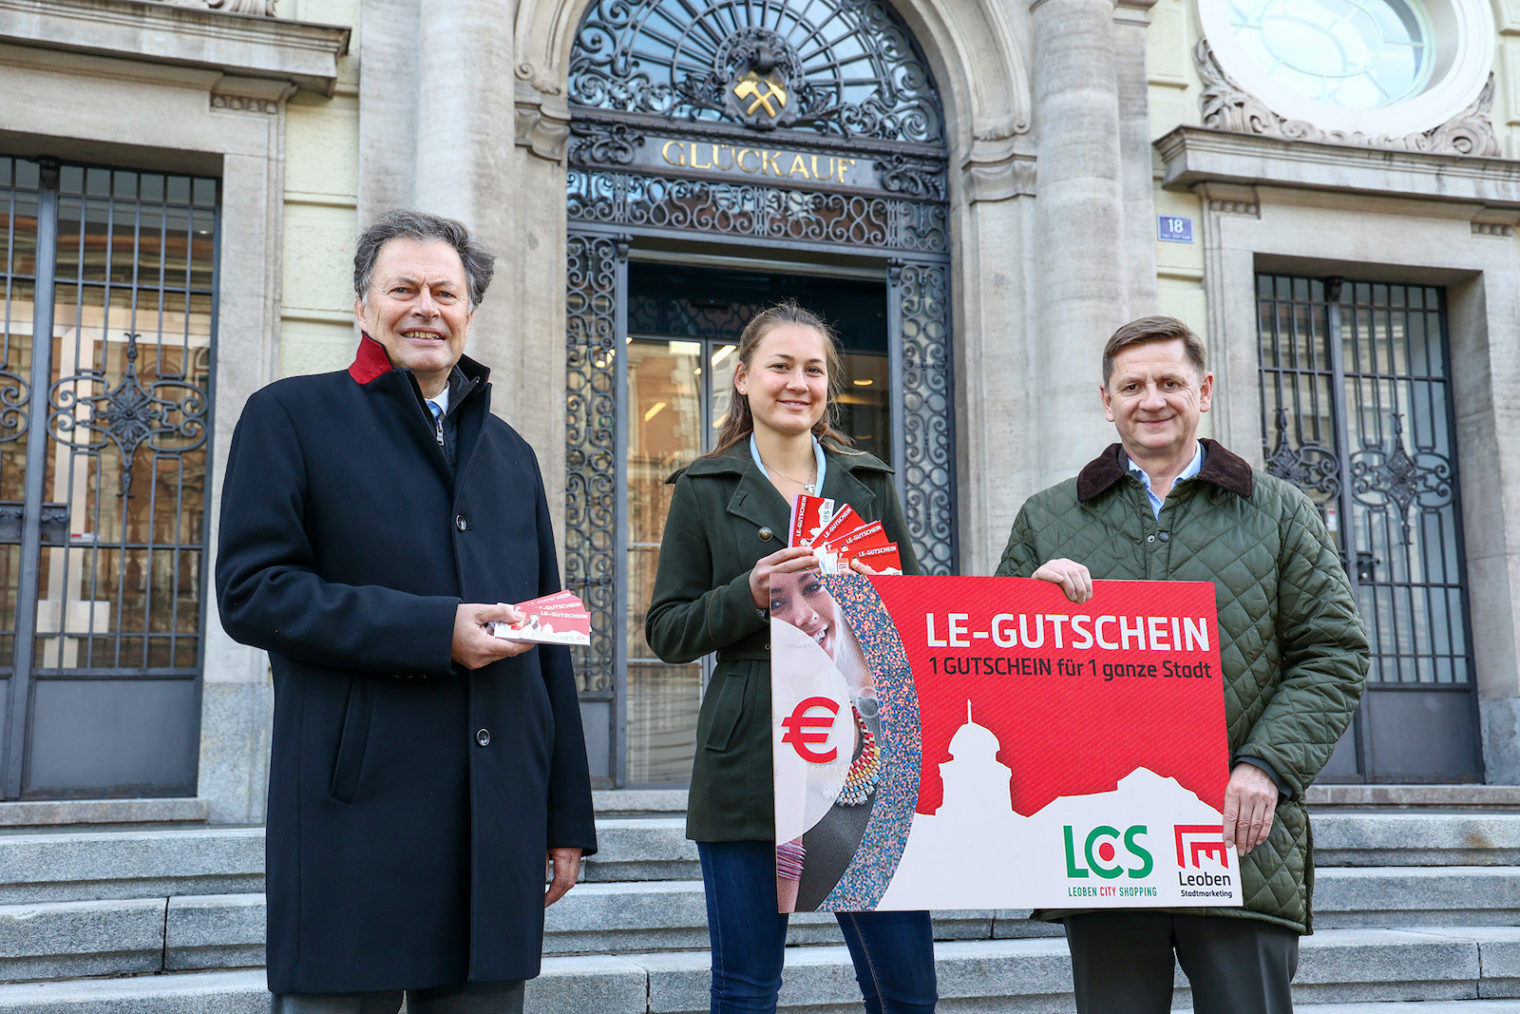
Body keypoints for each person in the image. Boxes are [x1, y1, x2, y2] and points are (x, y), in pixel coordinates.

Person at [215, 210, 597, 1014]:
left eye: (445, 292)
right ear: (364, 308)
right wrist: (434, 633)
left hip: (494, 819)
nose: (426, 306)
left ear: (468, 312)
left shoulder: (513, 456)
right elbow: (253, 592)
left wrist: (565, 817)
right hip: (356, 817)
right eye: (403, 289)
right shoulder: (289, 416)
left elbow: (547, 635)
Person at [995, 315, 1369, 1014]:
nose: (1152, 399)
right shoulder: (1048, 518)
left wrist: (1268, 766)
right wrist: (1027, 604)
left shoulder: (1280, 510)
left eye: (1170, 382)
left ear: (1204, 391)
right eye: (1132, 385)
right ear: (1107, 401)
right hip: (1104, 842)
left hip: (1239, 836)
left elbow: (1334, 651)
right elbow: (997, 673)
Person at [646, 302, 938, 1014]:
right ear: (743, 378)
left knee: (907, 992)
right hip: (748, 756)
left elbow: (918, 612)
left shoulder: (869, 483)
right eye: (781, 365)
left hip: (863, 753)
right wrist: (747, 593)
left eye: (814, 369)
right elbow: (668, 630)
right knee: (746, 989)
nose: (797, 382)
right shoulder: (704, 489)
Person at [769, 568, 881, 912]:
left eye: (814, 587)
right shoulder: (780, 733)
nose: (803, 615)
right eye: (775, 603)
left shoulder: (885, 714)